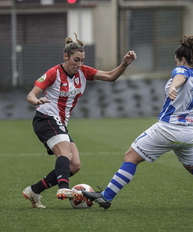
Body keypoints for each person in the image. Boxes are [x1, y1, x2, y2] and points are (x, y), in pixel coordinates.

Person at [83, 32, 193, 209]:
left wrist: (174, 86)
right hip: (190, 133)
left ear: (182, 59)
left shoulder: (181, 70)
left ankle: (106, 197)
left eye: (176, 61)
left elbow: (180, 75)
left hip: (168, 128)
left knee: (130, 157)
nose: (176, 64)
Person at [22, 33, 137, 208]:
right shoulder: (53, 73)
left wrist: (124, 64)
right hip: (45, 117)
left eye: (82, 60)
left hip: (60, 123)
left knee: (74, 165)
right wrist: (36, 101)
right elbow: (31, 94)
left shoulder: (83, 72)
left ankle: (34, 191)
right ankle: (63, 188)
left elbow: (111, 76)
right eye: (76, 60)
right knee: (65, 155)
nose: (79, 64)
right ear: (65, 57)